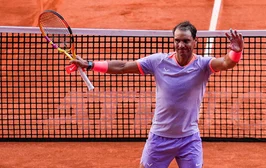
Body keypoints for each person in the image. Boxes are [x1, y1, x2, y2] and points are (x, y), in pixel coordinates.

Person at [70, 21, 244, 168]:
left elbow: (227, 62)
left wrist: (236, 51)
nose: (181, 45)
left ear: (195, 42)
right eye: (177, 40)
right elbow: (123, 67)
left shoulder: (203, 65)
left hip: (189, 138)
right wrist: (91, 64)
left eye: (186, 41)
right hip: (159, 137)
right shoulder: (158, 62)